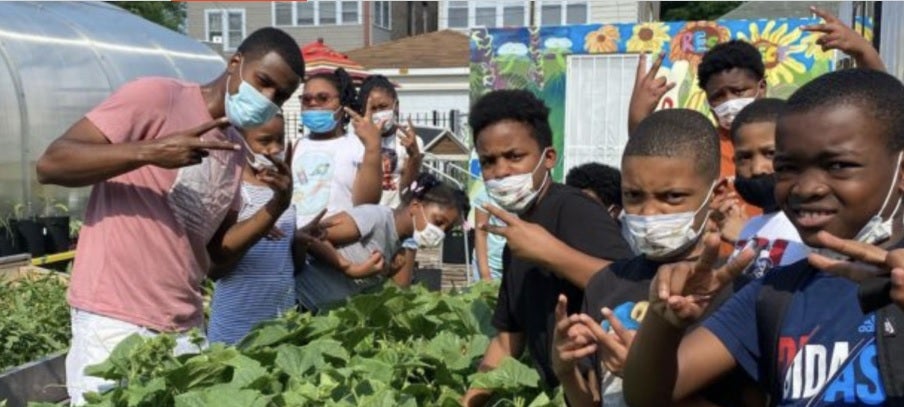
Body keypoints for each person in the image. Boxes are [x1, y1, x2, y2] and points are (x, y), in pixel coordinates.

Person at [34, 27, 305, 404]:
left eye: (281, 95)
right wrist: (151, 152)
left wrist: (277, 204)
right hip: (115, 320)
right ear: (235, 63)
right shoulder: (158, 97)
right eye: (263, 82)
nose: (267, 98)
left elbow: (218, 260)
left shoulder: (235, 151)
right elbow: (51, 164)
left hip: (184, 328)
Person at [622, 69, 904, 406]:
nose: (805, 188)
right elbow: (648, 397)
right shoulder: (775, 293)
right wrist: (662, 321)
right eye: (787, 168)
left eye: (839, 165)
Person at [462, 90, 632, 405]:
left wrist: (551, 254)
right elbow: (507, 340)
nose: (501, 171)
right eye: (488, 161)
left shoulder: (573, 209)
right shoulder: (518, 235)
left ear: (548, 158)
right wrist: (470, 400)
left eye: (514, 156)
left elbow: (633, 287)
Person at [551, 109, 730, 406]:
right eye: (633, 196)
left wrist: (642, 374)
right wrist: (566, 370)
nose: (648, 214)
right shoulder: (606, 283)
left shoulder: (732, 288)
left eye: (671, 197)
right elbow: (593, 401)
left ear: (716, 193)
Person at [206, 114, 318, 345]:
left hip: (280, 323)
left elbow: (291, 267)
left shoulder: (284, 192)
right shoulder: (233, 190)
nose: (274, 148)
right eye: (265, 141)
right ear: (240, 142)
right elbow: (215, 270)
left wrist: (299, 242)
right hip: (236, 326)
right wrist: (254, 230)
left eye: (280, 139)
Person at [296, 173, 469, 313]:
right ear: (416, 206)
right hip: (299, 302)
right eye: (438, 222)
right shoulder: (374, 217)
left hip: (320, 316)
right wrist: (349, 268)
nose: (439, 231)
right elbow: (311, 235)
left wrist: (386, 273)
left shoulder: (400, 245)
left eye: (446, 230)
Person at [291, 68, 384, 301]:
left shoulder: (356, 146)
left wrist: (373, 148)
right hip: (295, 253)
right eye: (306, 99)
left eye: (323, 98)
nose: (313, 104)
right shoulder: (293, 147)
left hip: (339, 251)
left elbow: (366, 204)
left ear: (342, 104)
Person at [727, 98, 809, 285]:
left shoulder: (811, 224)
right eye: (745, 157)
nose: (757, 169)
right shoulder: (750, 228)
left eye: (770, 153)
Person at [357, 74, 425, 287]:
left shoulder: (409, 141)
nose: (379, 113)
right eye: (373, 108)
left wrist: (414, 156)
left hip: (399, 224)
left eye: (383, 106)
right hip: (366, 226)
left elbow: (407, 189)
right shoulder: (355, 140)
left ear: (395, 105)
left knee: (398, 295)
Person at [472, 187, 507, 282]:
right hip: (490, 263)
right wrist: (485, 274)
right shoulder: (486, 195)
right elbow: (480, 234)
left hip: (515, 264)